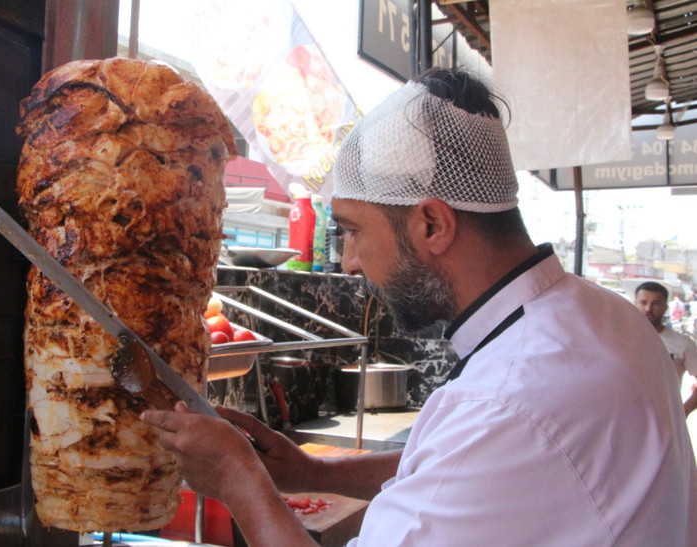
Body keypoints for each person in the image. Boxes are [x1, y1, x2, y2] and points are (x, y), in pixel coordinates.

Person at [141, 68, 697, 545]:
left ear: (431, 224)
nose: (349, 262)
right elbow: (455, 467)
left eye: (353, 231)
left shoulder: (506, 402)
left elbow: (483, 445)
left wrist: (239, 481)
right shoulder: (608, 314)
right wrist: (314, 472)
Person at [635, 280, 697, 416]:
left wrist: (685, 410)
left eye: (656, 303)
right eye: (643, 302)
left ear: (665, 307)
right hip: (623, 417)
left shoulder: (682, 343)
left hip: (664, 418)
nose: (648, 308)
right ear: (634, 304)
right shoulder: (617, 339)